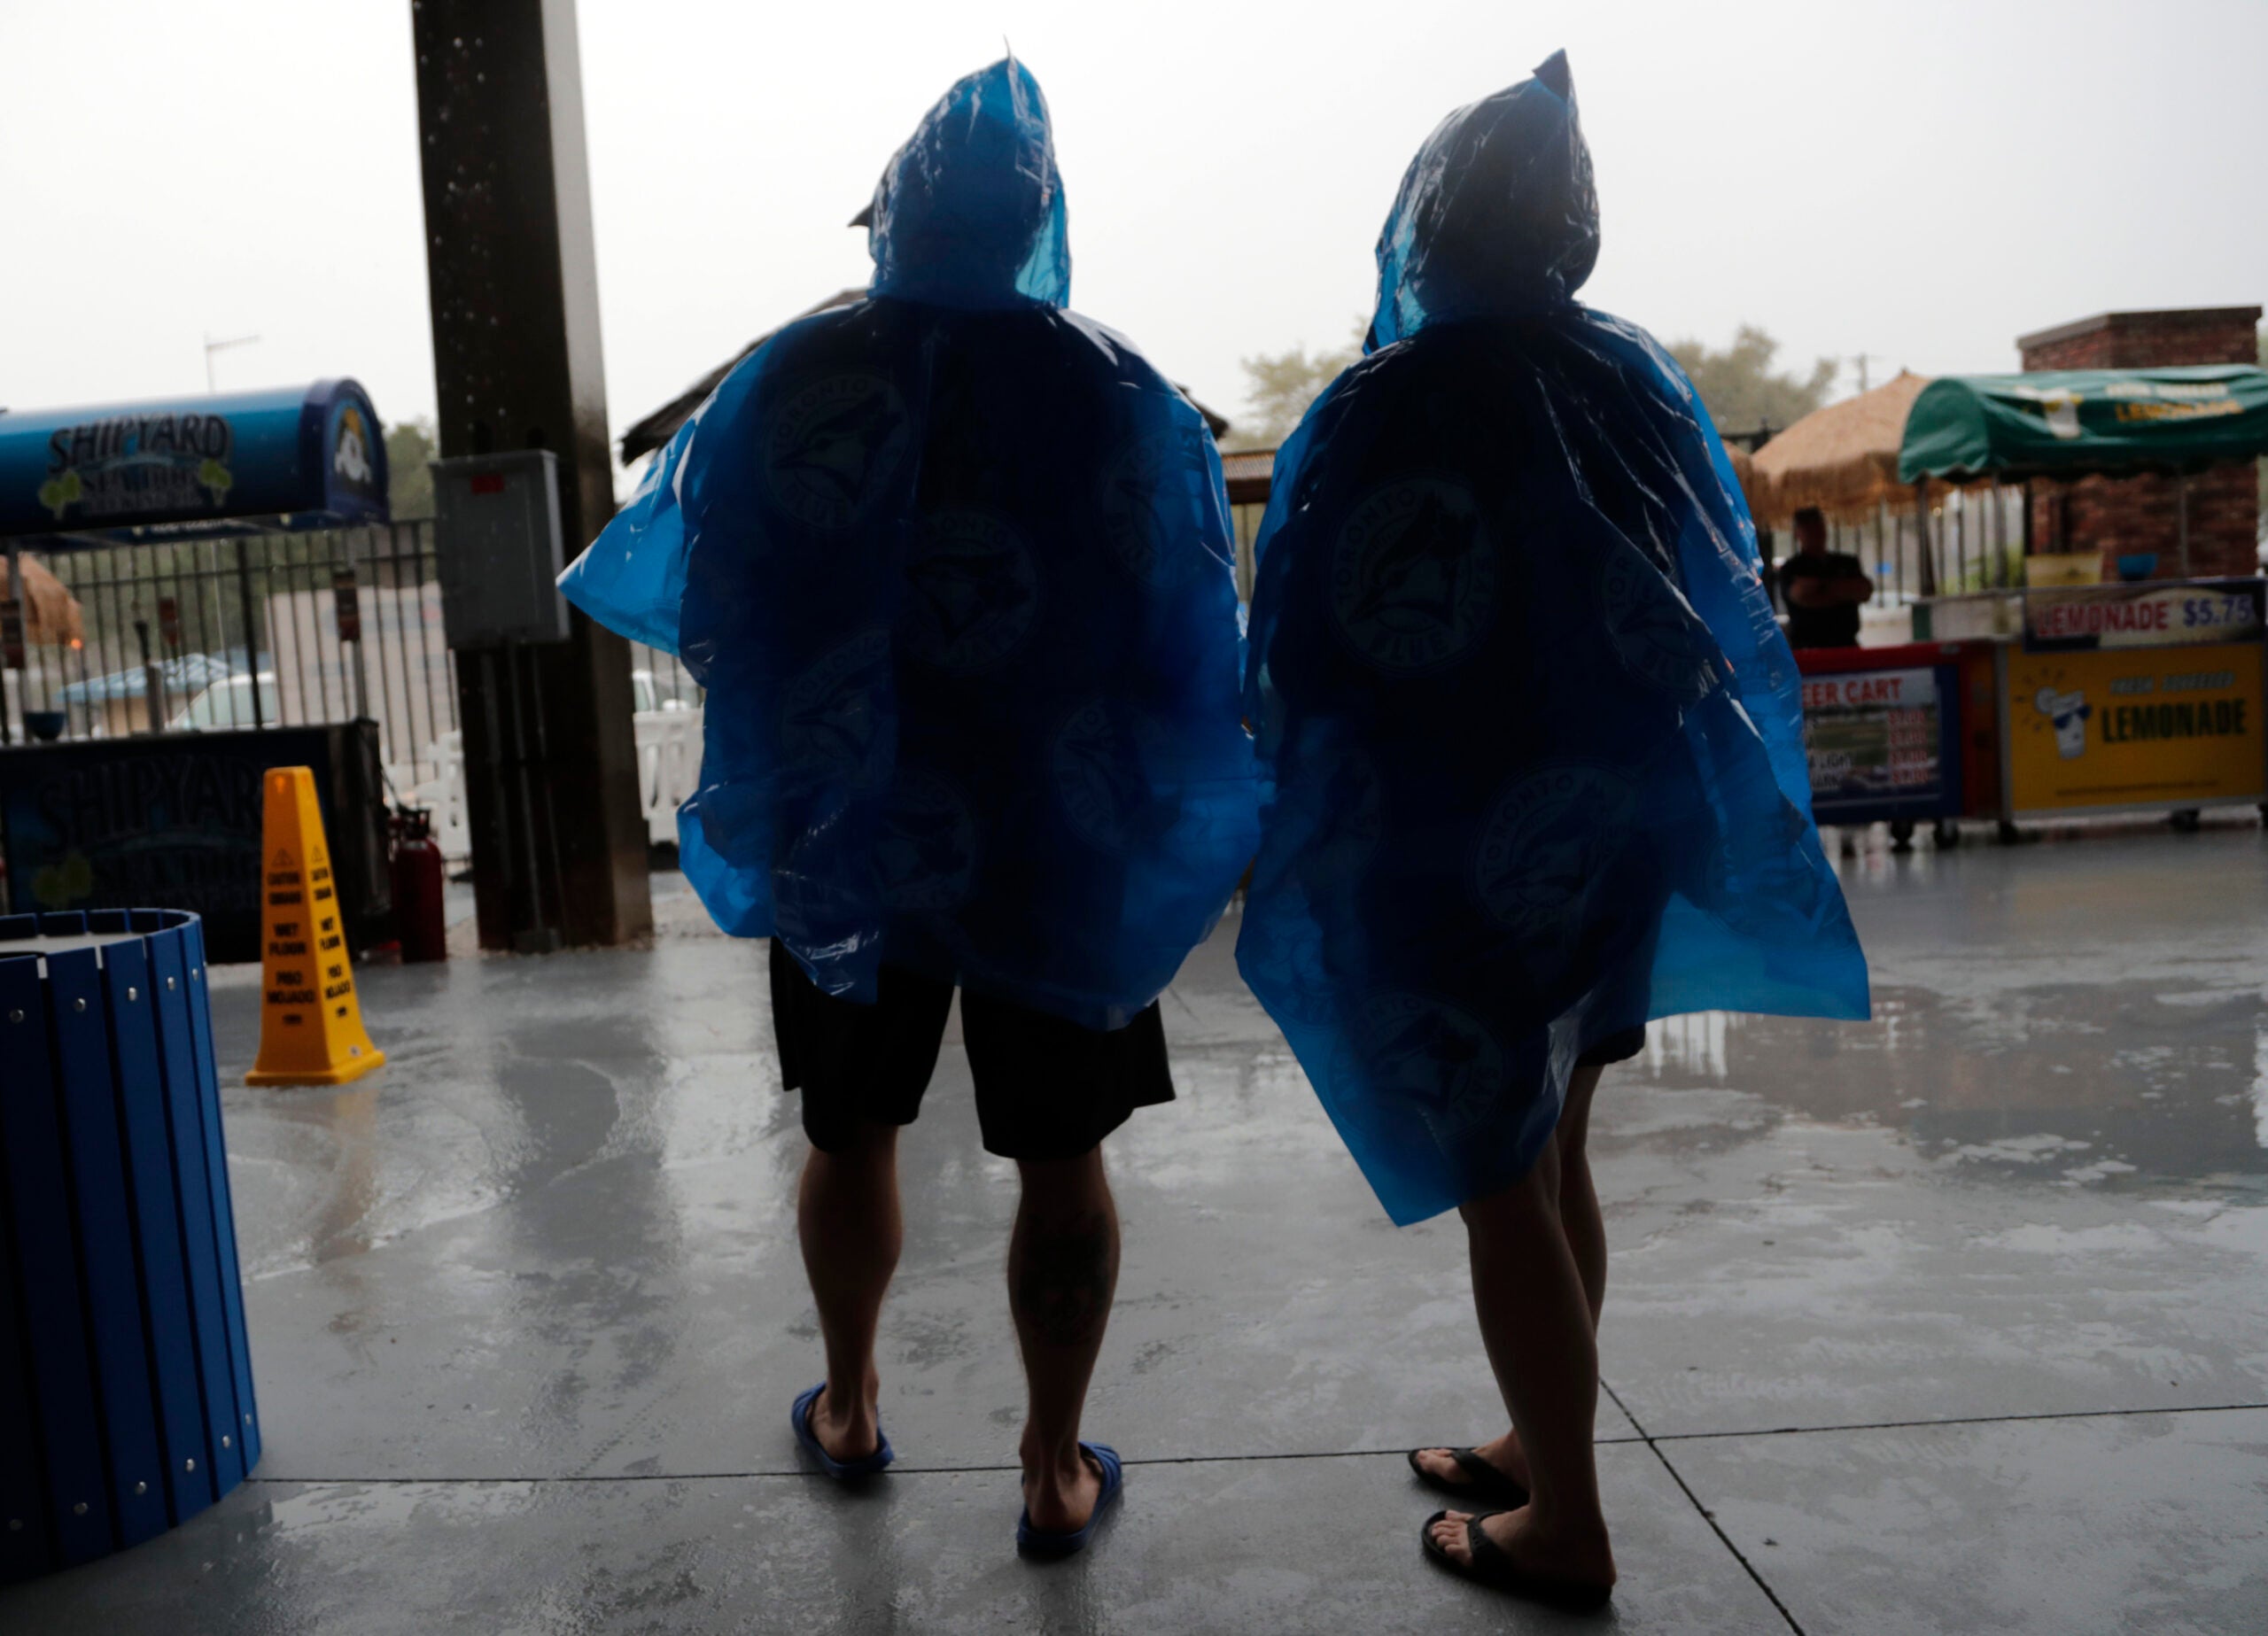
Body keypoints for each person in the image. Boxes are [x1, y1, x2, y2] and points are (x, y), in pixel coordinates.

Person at [558, 58, 1256, 1557]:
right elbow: (1190, 638)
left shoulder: (797, 379)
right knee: (1065, 1157)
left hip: (850, 838)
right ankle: (1052, 1468)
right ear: (1035, 214)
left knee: (852, 1128)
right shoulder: (1111, 388)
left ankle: (856, 1405)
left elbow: (712, 596)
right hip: (1060, 843)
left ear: (898, 211)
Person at [1236, 53, 1870, 1609]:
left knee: (1497, 1171)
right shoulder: (1635, 385)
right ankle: (1541, 1435)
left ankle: (1565, 1522)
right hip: (1610, 833)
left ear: (1426, 221)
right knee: (1557, 1133)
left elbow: (1302, 646)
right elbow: (1717, 612)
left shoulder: (1384, 404)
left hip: (1444, 845)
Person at [1777, 506, 1874, 648]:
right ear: (1797, 533)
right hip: (1808, 649)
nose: (1814, 532)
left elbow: (1864, 590)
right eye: (1808, 528)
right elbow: (1799, 595)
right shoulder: (1792, 568)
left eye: (1817, 526)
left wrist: (1819, 588)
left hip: (1846, 645)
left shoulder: (1846, 562)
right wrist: (1842, 591)